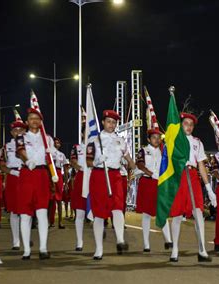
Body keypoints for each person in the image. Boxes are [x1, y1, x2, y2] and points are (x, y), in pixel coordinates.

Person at [87, 110, 137, 260]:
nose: (111, 124)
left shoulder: (120, 141)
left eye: (114, 122)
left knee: (117, 207)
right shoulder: (95, 140)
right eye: (109, 121)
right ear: (103, 122)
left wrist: (138, 169)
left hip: (115, 176)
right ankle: (98, 249)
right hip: (99, 175)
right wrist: (96, 161)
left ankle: (120, 239)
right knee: (99, 214)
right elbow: (88, 161)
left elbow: (130, 161)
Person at [167, 112, 216, 263]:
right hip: (178, 177)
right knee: (176, 215)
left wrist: (209, 189)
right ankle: (175, 248)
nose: (188, 126)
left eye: (191, 124)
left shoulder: (197, 142)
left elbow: (201, 165)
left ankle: (202, 249)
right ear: (180, 125)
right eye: (185, 123)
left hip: (193, 176)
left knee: (199, 213)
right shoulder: (173, 140)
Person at [16, 106, 56, 260]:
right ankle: (26, 250)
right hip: (27, 174)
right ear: (27, 121)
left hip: (41, 175)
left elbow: (52, 157)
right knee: (25, 214)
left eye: (37, 119)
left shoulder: (47, 139)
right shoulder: (21, 137)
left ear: (41, 122)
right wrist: (28, 160)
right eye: (31, 118)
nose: (34, 121)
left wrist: (53, 156)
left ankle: (43, 248)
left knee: (41, 212)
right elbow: (20, 151)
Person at [135, 128, 173, 252]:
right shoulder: (144, 150)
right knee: (146, 214)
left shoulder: (164, 152)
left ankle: (168, 240)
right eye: (154, 137)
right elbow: (140, 164)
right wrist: (151, 174)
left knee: (162, 212)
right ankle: (146, 244)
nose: (156, 140)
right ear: (148, 139)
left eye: (158, 137)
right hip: (147, 182)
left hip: (160, 184)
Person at [0, 115, 27, 251]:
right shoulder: (6, 147)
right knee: (14, 211)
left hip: (27, 176)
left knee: (26, 210)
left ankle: (25, 238)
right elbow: (1, 166)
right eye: (16, 130)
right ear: (12, 133)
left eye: (21, 130)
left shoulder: (30, 145)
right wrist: (12, 172)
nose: (18, 133)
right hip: (13, 177)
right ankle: (16, 240)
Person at [70, 141, 89, 251]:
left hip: (94, 176)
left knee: (97, 212)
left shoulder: (98, 146)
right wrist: (79, 167)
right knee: (80, 212)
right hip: (81, 178)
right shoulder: (76, 147)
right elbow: (73, 161)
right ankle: (79, 241)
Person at [48, 137, 67, 229]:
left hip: (59, 174)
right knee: (50, 200)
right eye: (55, 142)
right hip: (51, 172)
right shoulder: (49, 153)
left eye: (58, 142)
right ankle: (50, 221)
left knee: (59, 200)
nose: (57, 144)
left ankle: (60, 221)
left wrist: (66, 182)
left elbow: (66, 169)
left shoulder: (61, 155)